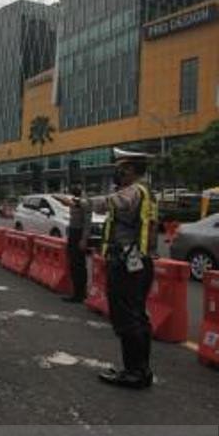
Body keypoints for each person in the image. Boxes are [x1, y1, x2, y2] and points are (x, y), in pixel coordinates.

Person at [56, 148, 157, 389]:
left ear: (130, 169)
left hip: (128, 263)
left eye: (120, 167)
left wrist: (78, 202)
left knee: (127, 318)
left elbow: (109, 202)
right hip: (140, 262)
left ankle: (134, 373)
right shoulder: (146, 192)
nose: (117, 171)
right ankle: (140, 370)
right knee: (138, 317)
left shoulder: (133, 191)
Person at [63, 184, 91, 303]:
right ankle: (76, 292)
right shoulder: (74, 201)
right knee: (73, 264)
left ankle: (81, 294)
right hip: (73, 234)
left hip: (79, 234)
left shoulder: (85, 203)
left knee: (79, 265)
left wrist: (84, 239)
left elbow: (87, 223)